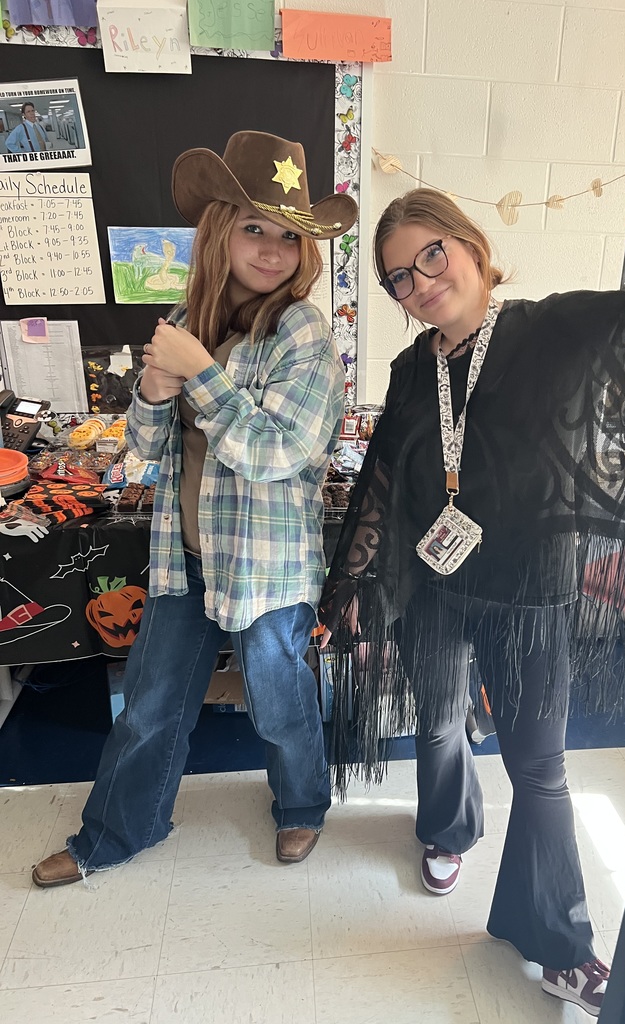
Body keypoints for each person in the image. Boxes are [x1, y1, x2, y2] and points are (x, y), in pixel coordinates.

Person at [319, 188, 625, 1017]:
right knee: (441, 716)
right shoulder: (414, 369)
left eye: (430, 256)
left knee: (541, 769)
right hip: (433, 584)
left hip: (530, 590)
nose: (418, 282)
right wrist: (350, 578)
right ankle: (445, 828)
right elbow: (384, 473)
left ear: (470, 246)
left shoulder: (553, 328)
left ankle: (557, 944)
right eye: (396, 279)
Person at [32, 131, 358, 886]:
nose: (272, 249)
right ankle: (117, 830)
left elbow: (278, 453)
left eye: (287, 235)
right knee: (149, 707)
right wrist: (154, 390)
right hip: (184, 556)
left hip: (267, 570)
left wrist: (200, 373)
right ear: (219, 229)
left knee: (280, 707)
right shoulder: (190, 319)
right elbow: (147, 448)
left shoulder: (302, 332)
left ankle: (303, 805)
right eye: (254, 228)